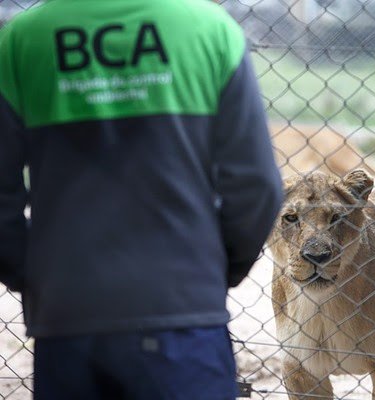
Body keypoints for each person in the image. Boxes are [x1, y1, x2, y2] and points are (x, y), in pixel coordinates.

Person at [0, 0, 283, 398]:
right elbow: (257, 185)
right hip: (182, 309)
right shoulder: (208, 29)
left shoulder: (24, 37)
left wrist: (31, 274)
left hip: (68, 311)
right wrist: (214, 269)